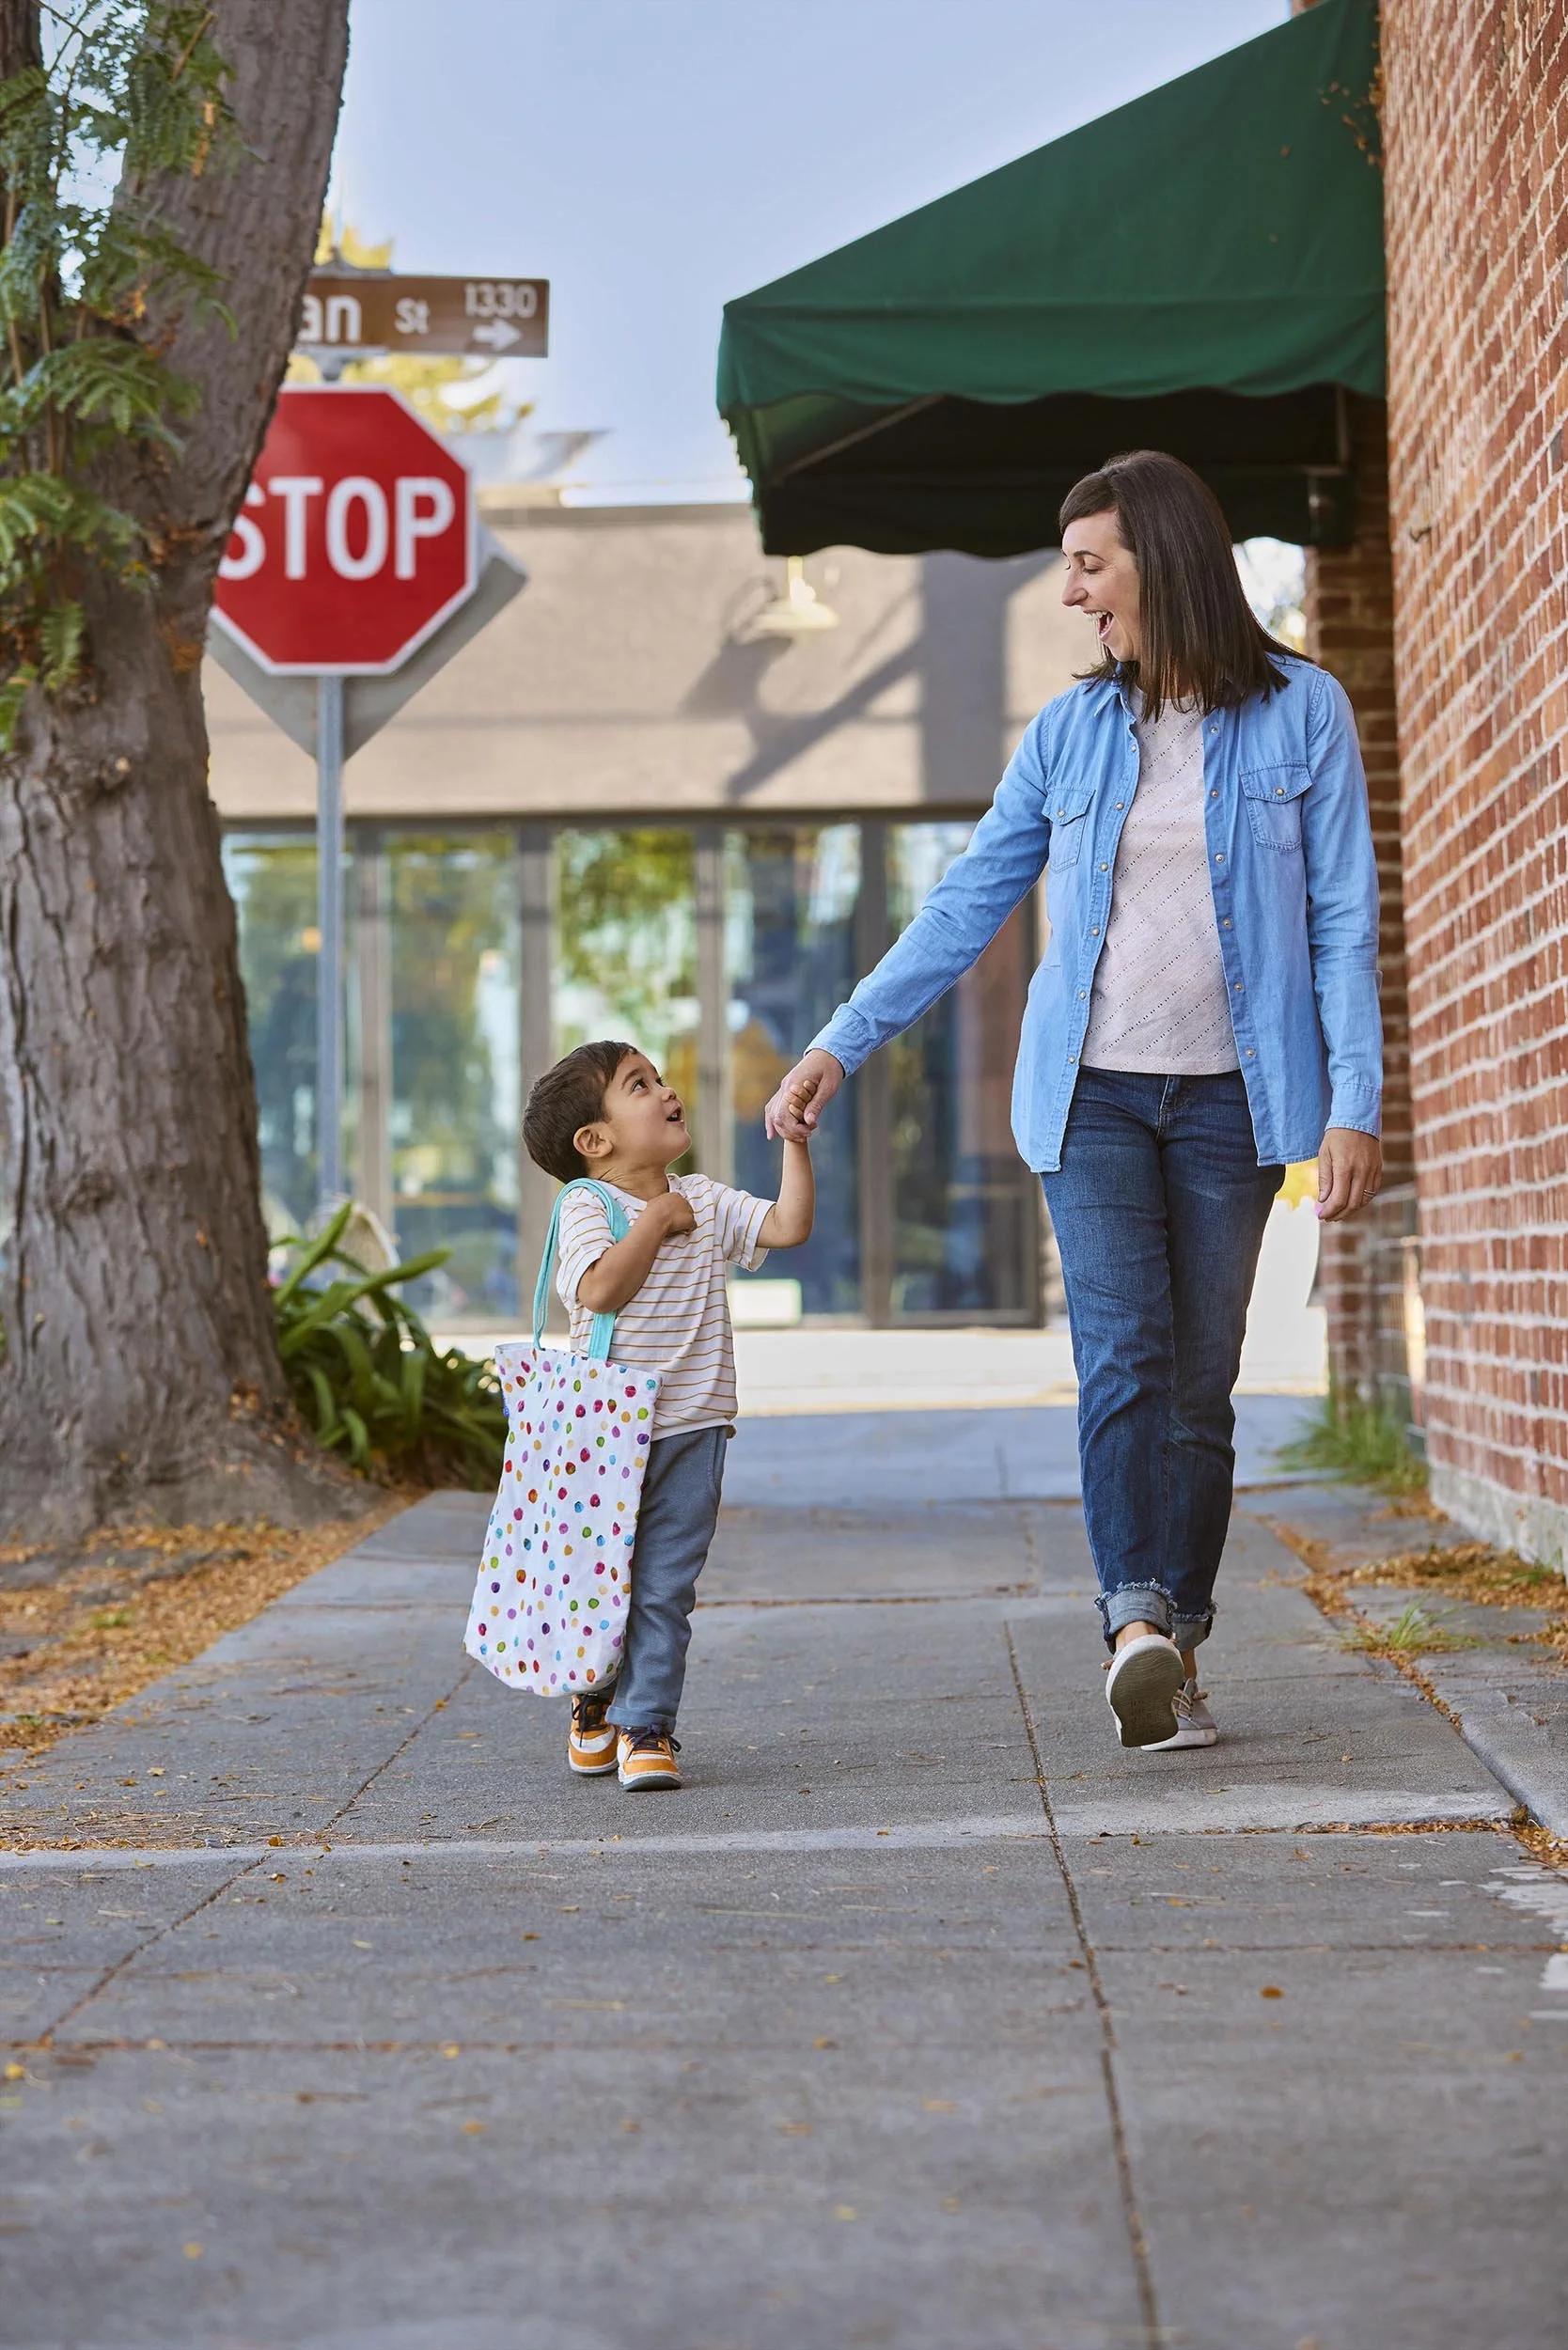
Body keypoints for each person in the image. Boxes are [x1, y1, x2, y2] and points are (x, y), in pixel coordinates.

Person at [764, 449, 1382, 1754]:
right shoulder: (1070, 734)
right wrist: (840, 1043)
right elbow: (966, 903)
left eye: (1090, 565)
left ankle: (1182, 1640)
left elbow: (1341, 923)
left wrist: (1355, 1103)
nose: (1071, 594)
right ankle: (1132, 1625)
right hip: (1091, 1095)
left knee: (1200, 1387)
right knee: (1122, 1358)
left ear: (1164, 559)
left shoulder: (1306, 713)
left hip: (1235, 1103)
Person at [523, 1041, 814, 1789]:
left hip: (694, 1425)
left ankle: (646, 1724)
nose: (665, 1089)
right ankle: (595, 1696)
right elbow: (599, 1291)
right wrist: (655, 1222)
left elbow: (787, 1226)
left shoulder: (705, 1199)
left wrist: (795, 1144)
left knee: (665, 1585)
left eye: (658, 1078)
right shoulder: (587, 1205)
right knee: (601, 1579)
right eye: (638, 1084)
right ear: (595, 1141)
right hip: (605, 1430)